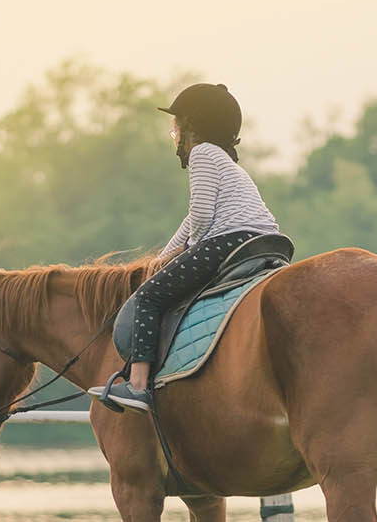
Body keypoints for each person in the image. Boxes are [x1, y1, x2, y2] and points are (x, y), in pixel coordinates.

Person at [88, 83, 280, 411]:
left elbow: (202, 216)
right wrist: (165, 257)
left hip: (228, 241)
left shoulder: (203, 153)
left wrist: (191, 247)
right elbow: (192, 218)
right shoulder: (228, 162)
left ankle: (137, 386)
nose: (174, 133)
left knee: (149, 297)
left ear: (191, 125)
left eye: (176, 126)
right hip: (261, 241)